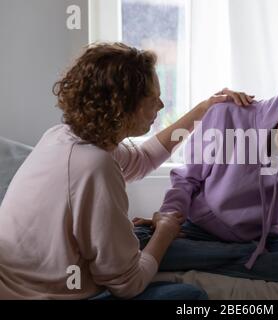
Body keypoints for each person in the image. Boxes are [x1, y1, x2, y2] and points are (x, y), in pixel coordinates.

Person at [0, 42, 254, 300]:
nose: (162, 105)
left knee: (157, 242)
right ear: (124, 105)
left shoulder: (63, 136)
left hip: (21, 281)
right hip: (38, 295)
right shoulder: (94, 166)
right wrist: (165, 230)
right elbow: (128, 284)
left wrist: (203, 110)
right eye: (153, 98)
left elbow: (143, 159)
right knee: (189, 297)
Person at [133, 64, 278, 284]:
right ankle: (241, 259)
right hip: (198, 232)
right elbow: (186, 178)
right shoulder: (227, 114)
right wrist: (168, 217)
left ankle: (222, 259)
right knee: (135, 240)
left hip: (261, 240)